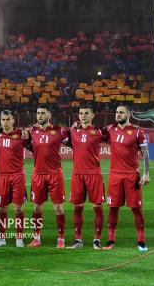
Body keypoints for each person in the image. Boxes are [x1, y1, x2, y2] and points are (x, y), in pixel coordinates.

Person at [103, 105, 150, 252]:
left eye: (121, 112)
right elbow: (91, 133)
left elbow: (145, 153)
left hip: (131, 175)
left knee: (136, 209)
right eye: (116, 112)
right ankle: (111, 240)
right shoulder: (110, 129)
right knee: (113, 208)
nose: (117, 114)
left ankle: (141, 242)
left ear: (128, 114)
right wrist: (77, 124)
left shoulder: (137, 132)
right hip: (114, 176)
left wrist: (146, 173)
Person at [66, 104, 107, 249]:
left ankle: (97, 240)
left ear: (92, 115)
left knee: (97, 206)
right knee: (78, 207)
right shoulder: (72, 130)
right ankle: (78, 240)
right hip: (77, 174)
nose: (83, 116)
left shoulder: (99, 131)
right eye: (81, 113)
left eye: (86, 113)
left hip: (94, 173)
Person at [28, 104, 68, 248]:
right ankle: (36, 238)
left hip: (54, 173)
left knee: (58, 207)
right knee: (37, 207)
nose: (40, 116)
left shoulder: (59, 131)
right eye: (38, 113)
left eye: (43, 113)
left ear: (49, 115)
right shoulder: (32, 131)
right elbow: (27, 145)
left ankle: (61, 240)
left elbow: (74, 142)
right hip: (38, 174)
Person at [0, 110, 29, 247]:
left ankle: (19, 238)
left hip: (18, 176)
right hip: (2, 176)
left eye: (8, 120)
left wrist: (28, 133)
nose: (5, 122)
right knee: (2, 208)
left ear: (13, 121)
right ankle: (1, 238)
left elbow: (33, 138)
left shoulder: (20, 134)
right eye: (3, 120)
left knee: (18, 208)